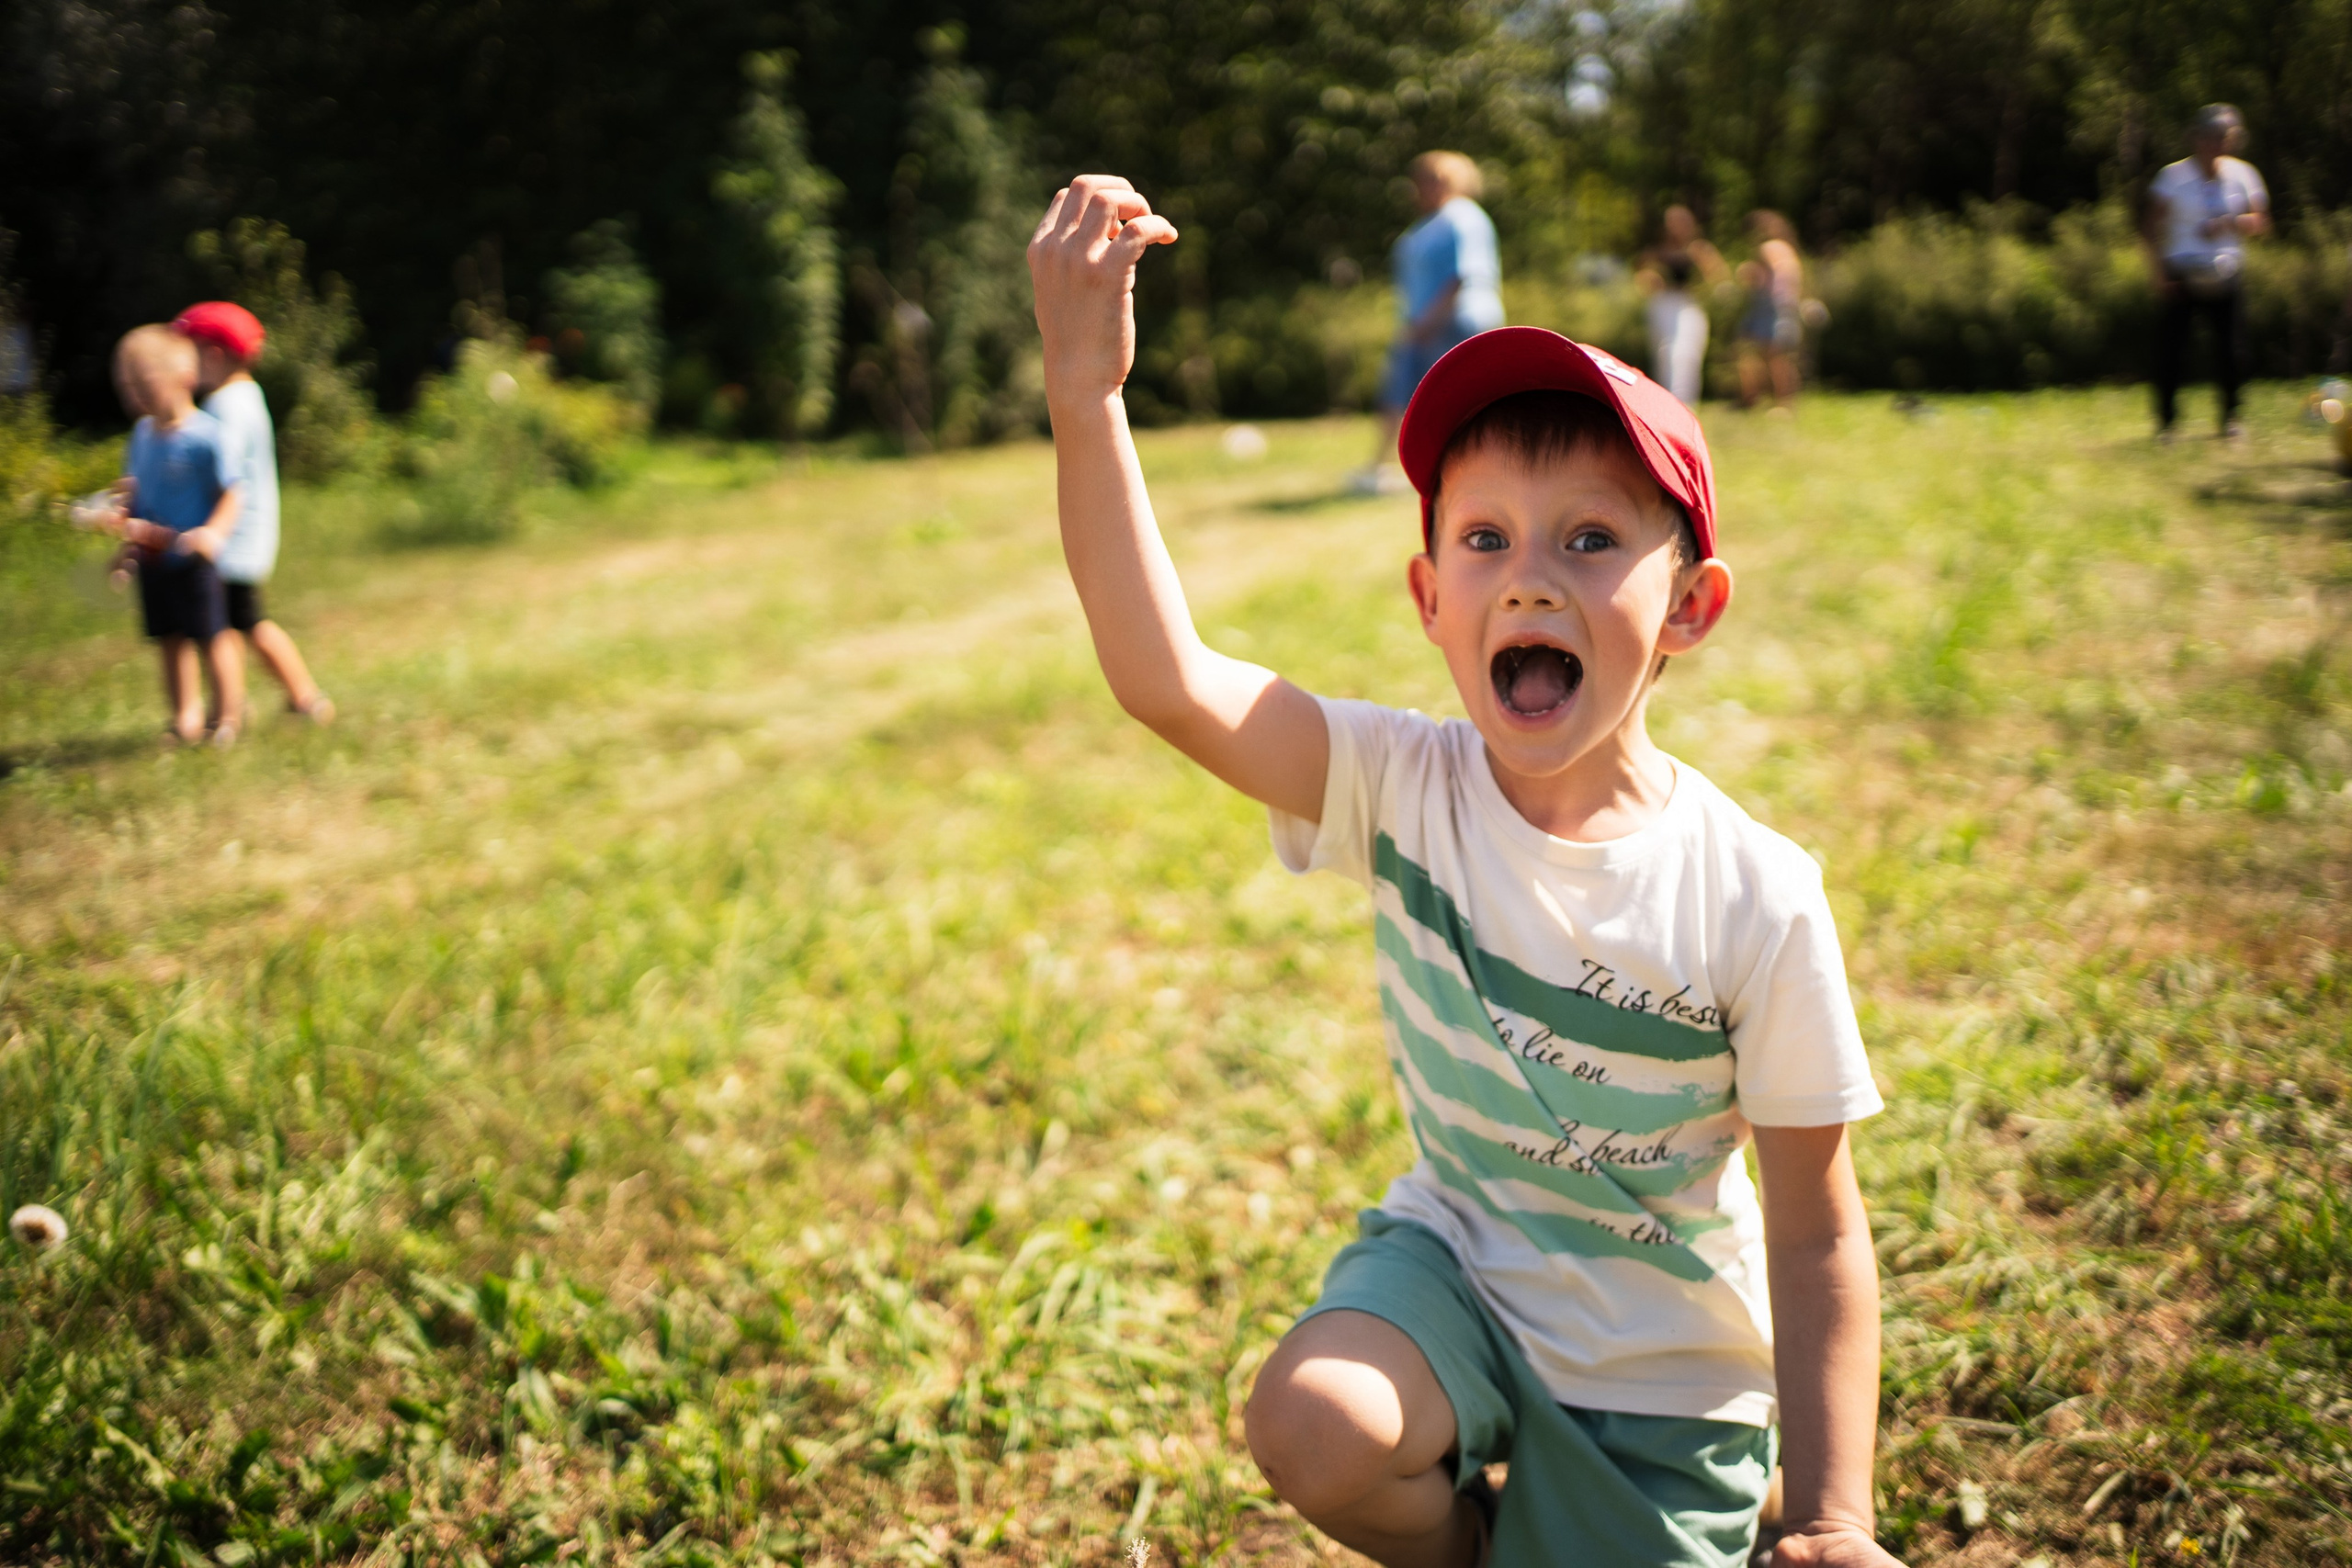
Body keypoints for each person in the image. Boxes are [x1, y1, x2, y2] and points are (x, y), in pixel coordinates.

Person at [1031, 175, 1898, 1568]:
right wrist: (1086, 399)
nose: (1529, 579)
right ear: (1431, 596)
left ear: (1691, 606)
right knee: (1313, 1421)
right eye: (1484, 537)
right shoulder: (1402, 784)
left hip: (1663, 1375)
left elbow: (1814, 1238)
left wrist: (1836, 1514)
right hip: (1459, 1270)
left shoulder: (1758, 893)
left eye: (1591, 539)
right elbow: (1170, 681)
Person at [174, 301, 335, 724]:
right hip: (244, 538)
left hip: (231, 541)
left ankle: (295, 699)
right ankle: (274, 700)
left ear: (212, 355)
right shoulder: (247, 395)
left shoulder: (224, 408)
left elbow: (218, 477)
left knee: (236, 625)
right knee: (242, 623)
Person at [105, 326, 246, 746]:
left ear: (184, 375)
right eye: (126, 388)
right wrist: (126, 541)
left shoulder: (207, 436)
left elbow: (233, 492)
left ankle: (227, 717)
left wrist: (213, 533)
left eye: (144, 385)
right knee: (169, 639)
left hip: (193, 561)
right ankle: (185, 717)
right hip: (154, 559)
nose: (135, 397)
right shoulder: (142, 436)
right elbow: (138, 494)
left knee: (211, 637)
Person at [1353, 152, 1505, 494]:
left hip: (1453, 323)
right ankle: (1383, 466)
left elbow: (1462, 275)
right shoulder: (1430, 222)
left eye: (1430, 179)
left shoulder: (1463, 217)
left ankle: (1472, 469)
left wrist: (1427, 322)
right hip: (1424, 323)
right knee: (1402, 389)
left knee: (1457, 398)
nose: (1420, 187)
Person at [2144, 104, 2270, 444]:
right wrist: (2158, 273)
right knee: (2172, 350)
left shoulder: (2244, 175)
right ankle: (2167, 424)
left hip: (2226, 271)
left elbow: (2261, 222)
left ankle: (2232, 419)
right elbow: (2151, 226)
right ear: (2196, 137)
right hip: (2181, 271)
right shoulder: (2172, 176)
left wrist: (2231, 223)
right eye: (2211, 136)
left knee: (2232, 351)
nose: (2217, 144)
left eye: (2224, 137)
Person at [1636, 206, 1727, 407]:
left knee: (1687, 354)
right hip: (1664, 304)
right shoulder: (1658, 250)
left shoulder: (1699, 250)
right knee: (1665, 354)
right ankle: (1666, 401)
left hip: (1689, 305)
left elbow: (1718, 276)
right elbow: (1642, 272)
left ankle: (1686, 402)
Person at [1735, 212, 1805, 412]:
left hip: (1769, 306)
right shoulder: (1787, 248)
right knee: (1776, 356)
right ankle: (1768, 400)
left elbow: (1770, 274)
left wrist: (1748, 273)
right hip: (1784, 305)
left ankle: (1775, 402)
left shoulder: (1768, 248)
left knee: (1772, 357)